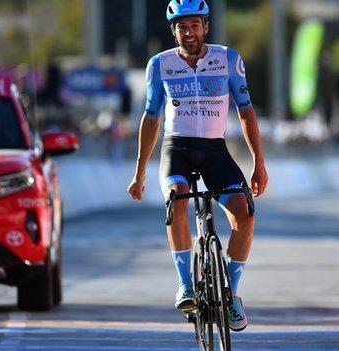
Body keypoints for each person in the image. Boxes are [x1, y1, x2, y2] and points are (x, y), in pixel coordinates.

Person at [127, 0, 268, 332]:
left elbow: (246, 113)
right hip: (177, 148)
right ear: (173, 30)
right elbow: (151, 118)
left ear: (206, 26)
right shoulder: (159, 65)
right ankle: (186, 285)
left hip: (215, 150)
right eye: (181, 27)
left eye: (194, 25)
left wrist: (259, 164)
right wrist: (139, 171)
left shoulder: (228, 60)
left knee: (244, 213)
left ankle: (231, 295)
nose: (188, 33)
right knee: (177, 199)